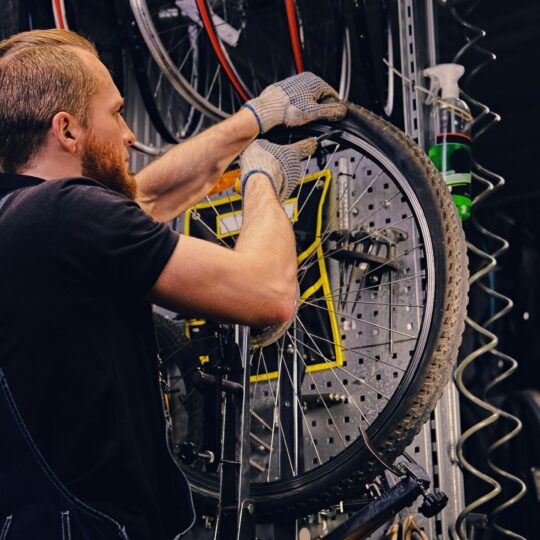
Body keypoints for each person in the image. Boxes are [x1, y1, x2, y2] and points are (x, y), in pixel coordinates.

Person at [0, 29, 346, 539]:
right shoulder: (66, 213)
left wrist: (257, 117)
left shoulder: (27, 220)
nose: (129, 135)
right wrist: (262, 180)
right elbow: (268, 293)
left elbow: (146, 202)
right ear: (67, 131)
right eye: (116, 112)